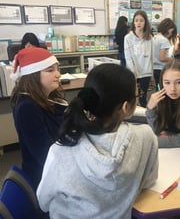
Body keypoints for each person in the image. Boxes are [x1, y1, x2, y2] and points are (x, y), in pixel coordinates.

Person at [37, 64, 158, 219]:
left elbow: (43, 202)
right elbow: (148, 181)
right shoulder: (146, 137)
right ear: (125, 107)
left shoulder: (62, 149)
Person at [11, 47, 67, 190]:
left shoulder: (48, 98)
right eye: (50, 70)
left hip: (59, 169)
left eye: (57, 69)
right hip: (45, 179)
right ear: (33, 74)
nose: (58, 74)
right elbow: (44, 155)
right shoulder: (27, 108)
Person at [146, 59, 180, 148]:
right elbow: (156, 130)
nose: (172, 88)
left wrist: (155, 141)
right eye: (167, 83)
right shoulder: (160, 97)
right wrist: (150, 109)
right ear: (161, 83)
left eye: (179, 82)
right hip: (172, 149)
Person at [124, 10, 153, 107]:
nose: (139, 23)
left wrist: (151, 71)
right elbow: (128, 57)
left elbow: (151, 56)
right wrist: (133, 72)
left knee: (143, 97)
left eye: (141, 20)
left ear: (145, 23)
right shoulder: (128, 38)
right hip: (134, 72)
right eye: (136, 20)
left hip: (146, 72)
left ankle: (144, 118)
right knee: (133, 97)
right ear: (133, 23)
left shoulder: (149, 38)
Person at [153, 18, 177, 89]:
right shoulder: (164, 40)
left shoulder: (154, 38)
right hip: (162, 69)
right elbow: (162, 57)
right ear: (168, 28)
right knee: (164, 89)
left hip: (154, 68)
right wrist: (173, 60)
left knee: (158, 88)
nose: (171, 34)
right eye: (171, 31)